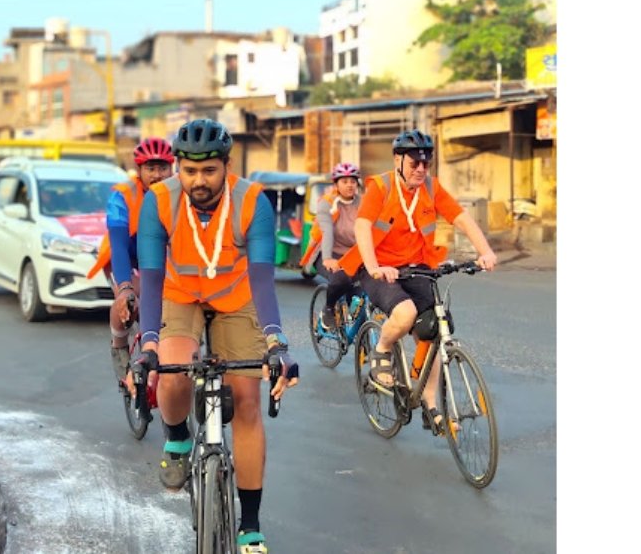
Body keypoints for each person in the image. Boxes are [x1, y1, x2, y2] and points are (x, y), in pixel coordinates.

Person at [131, 118, 299, 554]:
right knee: (172, 374)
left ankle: (250, 525)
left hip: (237, 297)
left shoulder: (253, 201)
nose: (199, 181)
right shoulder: (159, 200)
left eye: (209, 170)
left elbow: (262, 278)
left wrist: (276, 342)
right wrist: (149, 343)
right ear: (178, 168)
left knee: (246, 400)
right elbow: (151, 278)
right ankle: (177, 437)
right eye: (189, 171)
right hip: (179, 295)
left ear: (227, 165)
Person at [338, 129, 498, 435]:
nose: (421, 169)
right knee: (406, 313)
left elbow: (462, 218)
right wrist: (374, 267)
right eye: (415, 163)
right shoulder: (381, 187)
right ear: (398, 160)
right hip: (380, 269)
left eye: (426, 163)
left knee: (433, 328)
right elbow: (362, 227)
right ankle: (382, 350)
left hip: (418, 268)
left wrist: (485, 251)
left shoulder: (431, 188)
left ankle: (429, 402)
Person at [86, 137, 176, 381]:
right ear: (139, 170)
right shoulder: (123, 196)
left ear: (172, 168)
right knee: (131, 300)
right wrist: (125, 288)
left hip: (162, 257)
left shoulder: (181, 192)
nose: (157, 175)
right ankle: (119, 346)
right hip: (127, 256)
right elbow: (118, 245)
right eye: (150, 168)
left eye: (163, 168)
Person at [300, 162, 363, 332]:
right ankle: (328, 309)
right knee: (340, 279)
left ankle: (361, 335)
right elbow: (327, 232)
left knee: (361, 293)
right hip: (327, 252)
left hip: (353, 255)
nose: (350, 185)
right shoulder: (327, 203)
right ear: (336, 184)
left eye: (353, 181)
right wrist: (328, 259)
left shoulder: (363, 203)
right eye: (345, 181)